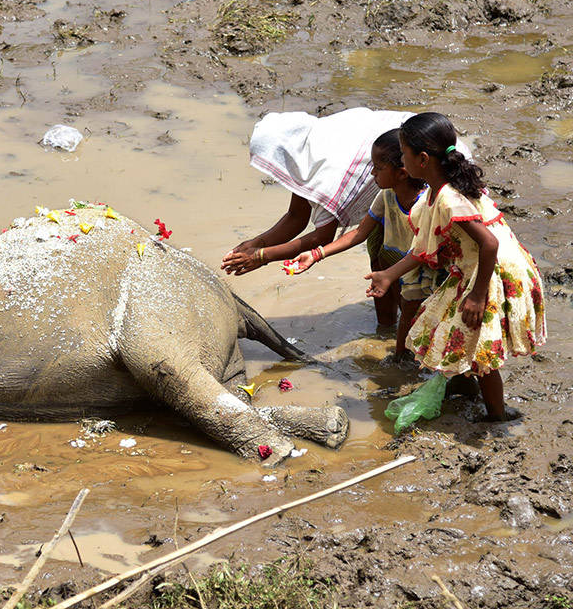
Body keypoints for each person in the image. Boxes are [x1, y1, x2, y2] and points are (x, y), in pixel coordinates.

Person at [365, 112, 547, 421]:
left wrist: (477, 296)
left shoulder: (449, 198)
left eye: (404, 154)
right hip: (474, 268)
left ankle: (497, 415)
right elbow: (423, 248)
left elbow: (489, 244)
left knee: (480, 349)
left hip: (491, 271)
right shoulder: (436, 192)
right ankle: (466, 389)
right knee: (452, 328)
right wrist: (388, 275)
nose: (402, 160)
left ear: (422, 159)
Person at [221, 107, 470, 328]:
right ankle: (385, 328)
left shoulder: (333, 167)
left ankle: (409, 330)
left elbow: (323, 235)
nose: (371, 173)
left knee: (416, 288)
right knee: (382, 260)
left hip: (423, 159)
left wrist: (262, 256)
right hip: (399, 181)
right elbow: (298, 217)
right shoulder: (378, 193)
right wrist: (257, 245)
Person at [286, 129, 436, 358]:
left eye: (379, 168)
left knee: (410, 320)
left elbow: (426, 249)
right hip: (390, 263)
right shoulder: (386, 196)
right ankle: (392, 345)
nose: (373, 173)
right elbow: (359, 233)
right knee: (388, 319)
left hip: (416, 270)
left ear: (402, 173)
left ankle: (400, 362)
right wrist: (316, 254)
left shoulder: (427, 203)